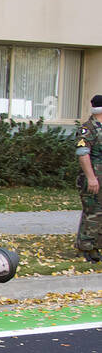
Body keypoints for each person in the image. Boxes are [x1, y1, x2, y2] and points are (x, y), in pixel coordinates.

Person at [74, 94, 102, 264]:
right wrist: (91, 178)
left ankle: (95, 247)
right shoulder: (88, 128)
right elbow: (83, 153)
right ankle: (85, 247)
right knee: (92, 212)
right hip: (93, 176)